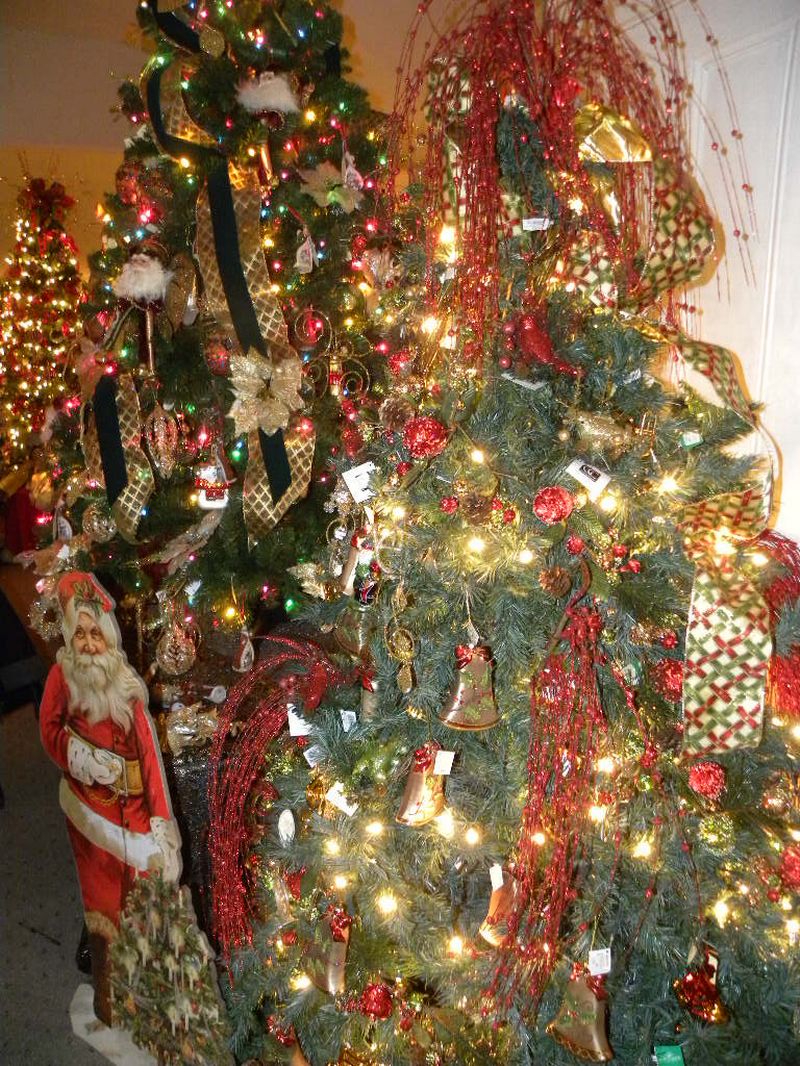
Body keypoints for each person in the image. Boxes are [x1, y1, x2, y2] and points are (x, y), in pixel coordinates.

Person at [39, 571, 182, 1024]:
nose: (87, 642)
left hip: (136, 813)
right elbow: (48, 731)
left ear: (107, 634)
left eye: (94, 632)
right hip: (90, 814)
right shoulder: (63, 678)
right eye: (78, 633)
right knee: (103, 905)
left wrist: (162, 823)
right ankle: (112, 1001)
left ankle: (150, 997)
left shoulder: (125, 684)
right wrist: (79, 756)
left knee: (145, 899)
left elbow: (151, 760)